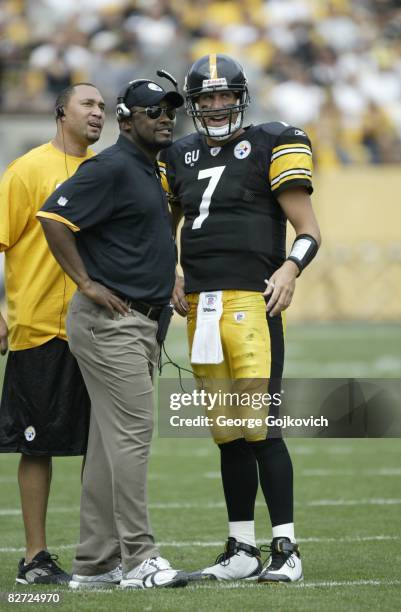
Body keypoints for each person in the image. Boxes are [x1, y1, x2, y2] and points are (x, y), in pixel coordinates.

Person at [159, 54, 321, 583]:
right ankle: (242, 548)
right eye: (205, 98)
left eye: (224, 95)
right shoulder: (177, 153)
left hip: (254, 301)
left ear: (240, 97)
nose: (215, 105)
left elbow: (309, 228)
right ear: (194, 105)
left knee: (262, 430)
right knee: (226, 433)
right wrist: (172, 272)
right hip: (200, 307)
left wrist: (291, 270)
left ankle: (286, 548)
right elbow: (161, 227)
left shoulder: (274, 140)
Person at [37, 77, 188, 590]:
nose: (165, 117)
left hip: (137, 322)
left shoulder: (147, 169)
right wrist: (86, 282)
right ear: (127, 121)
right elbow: (53, 216)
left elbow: (142, 235)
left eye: (170, 110)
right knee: (132, 440)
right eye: (153, 111)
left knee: (108, 444)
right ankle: (140, 558)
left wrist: (169, 275)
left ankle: (96, 563)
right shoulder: (113, 166)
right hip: (112, 324)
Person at [0, 83, 105, 584]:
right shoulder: (27, 170)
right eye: (89, 104)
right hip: (40, 327)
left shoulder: (106, 172)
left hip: (101, 329)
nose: (98, 113)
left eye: (103, 107)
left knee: (103, 445)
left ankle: (99, 553)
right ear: (61, 111)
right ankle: (34, 558)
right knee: (35, 445)